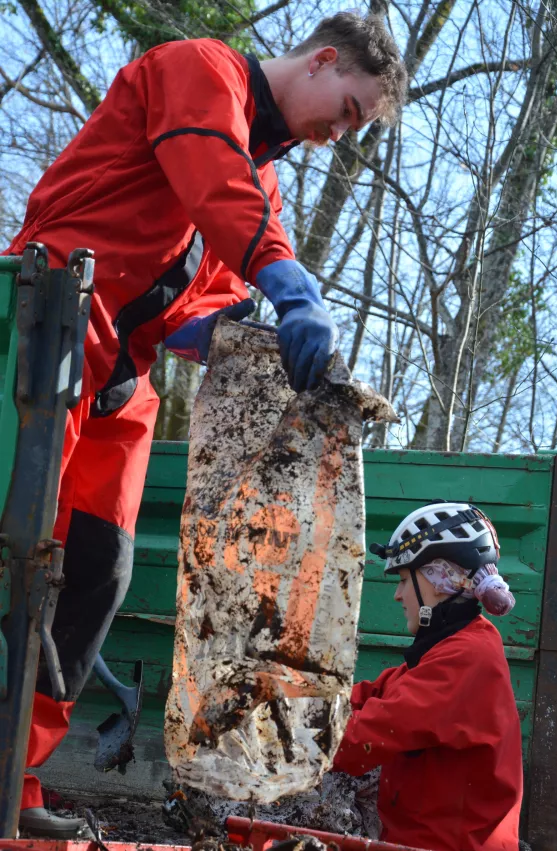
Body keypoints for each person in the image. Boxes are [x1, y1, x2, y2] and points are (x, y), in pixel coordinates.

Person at [5, 12, 408, 838]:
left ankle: (13, 776)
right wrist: (290, 282)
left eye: (353, 129)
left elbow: (205, 301)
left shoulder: (262, 180)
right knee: (16, 550)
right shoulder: (199, 72)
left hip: (122, 369)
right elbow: (212, 181)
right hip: (50, 324)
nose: (336, 135)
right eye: (346, 112)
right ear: (323, 59)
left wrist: (238, 334)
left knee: (95, 575)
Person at [333, 501, 522, 851]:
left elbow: (366, 736)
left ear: (440, 577)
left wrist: (288, 739)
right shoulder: (452, 647)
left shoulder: (468, 658)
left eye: (405, 579)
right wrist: (294, 699)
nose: (397, 594)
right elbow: (375, 694)